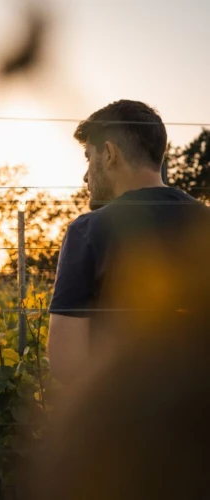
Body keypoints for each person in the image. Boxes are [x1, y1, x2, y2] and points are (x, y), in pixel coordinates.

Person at [47, 99, 210, 384]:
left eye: (89, 157)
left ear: (109, 154)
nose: (86, 175)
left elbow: (66, 365)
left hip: (122, 422)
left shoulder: (88, 231)